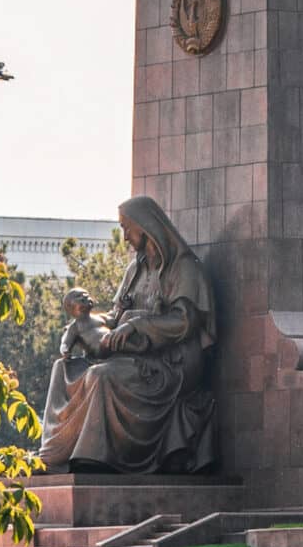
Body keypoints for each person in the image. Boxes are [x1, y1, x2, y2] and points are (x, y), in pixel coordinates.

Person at [38, 196, 218, 475]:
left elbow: (184, 323)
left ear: (146, 228)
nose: (124, 238)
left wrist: (137, 326)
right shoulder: (135, 269)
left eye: (126, 228)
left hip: (172, 363)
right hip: (131, 355)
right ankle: (51, 456)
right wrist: (86, 324)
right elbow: (115, 315)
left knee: (102, 375)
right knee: (64, 367)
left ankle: (92, 458)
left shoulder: (183, 268)